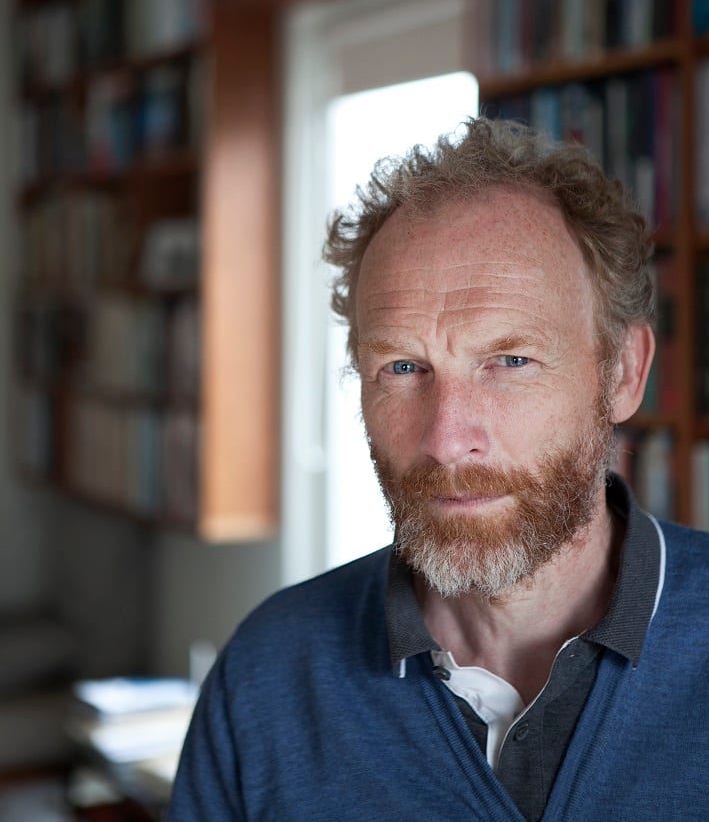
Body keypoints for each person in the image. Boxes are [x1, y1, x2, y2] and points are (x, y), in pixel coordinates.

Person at [168, 116, 709, 821]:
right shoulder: (268, 673)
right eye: (402, 367)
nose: (447, 441)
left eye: (510, 360)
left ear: (623, 373)